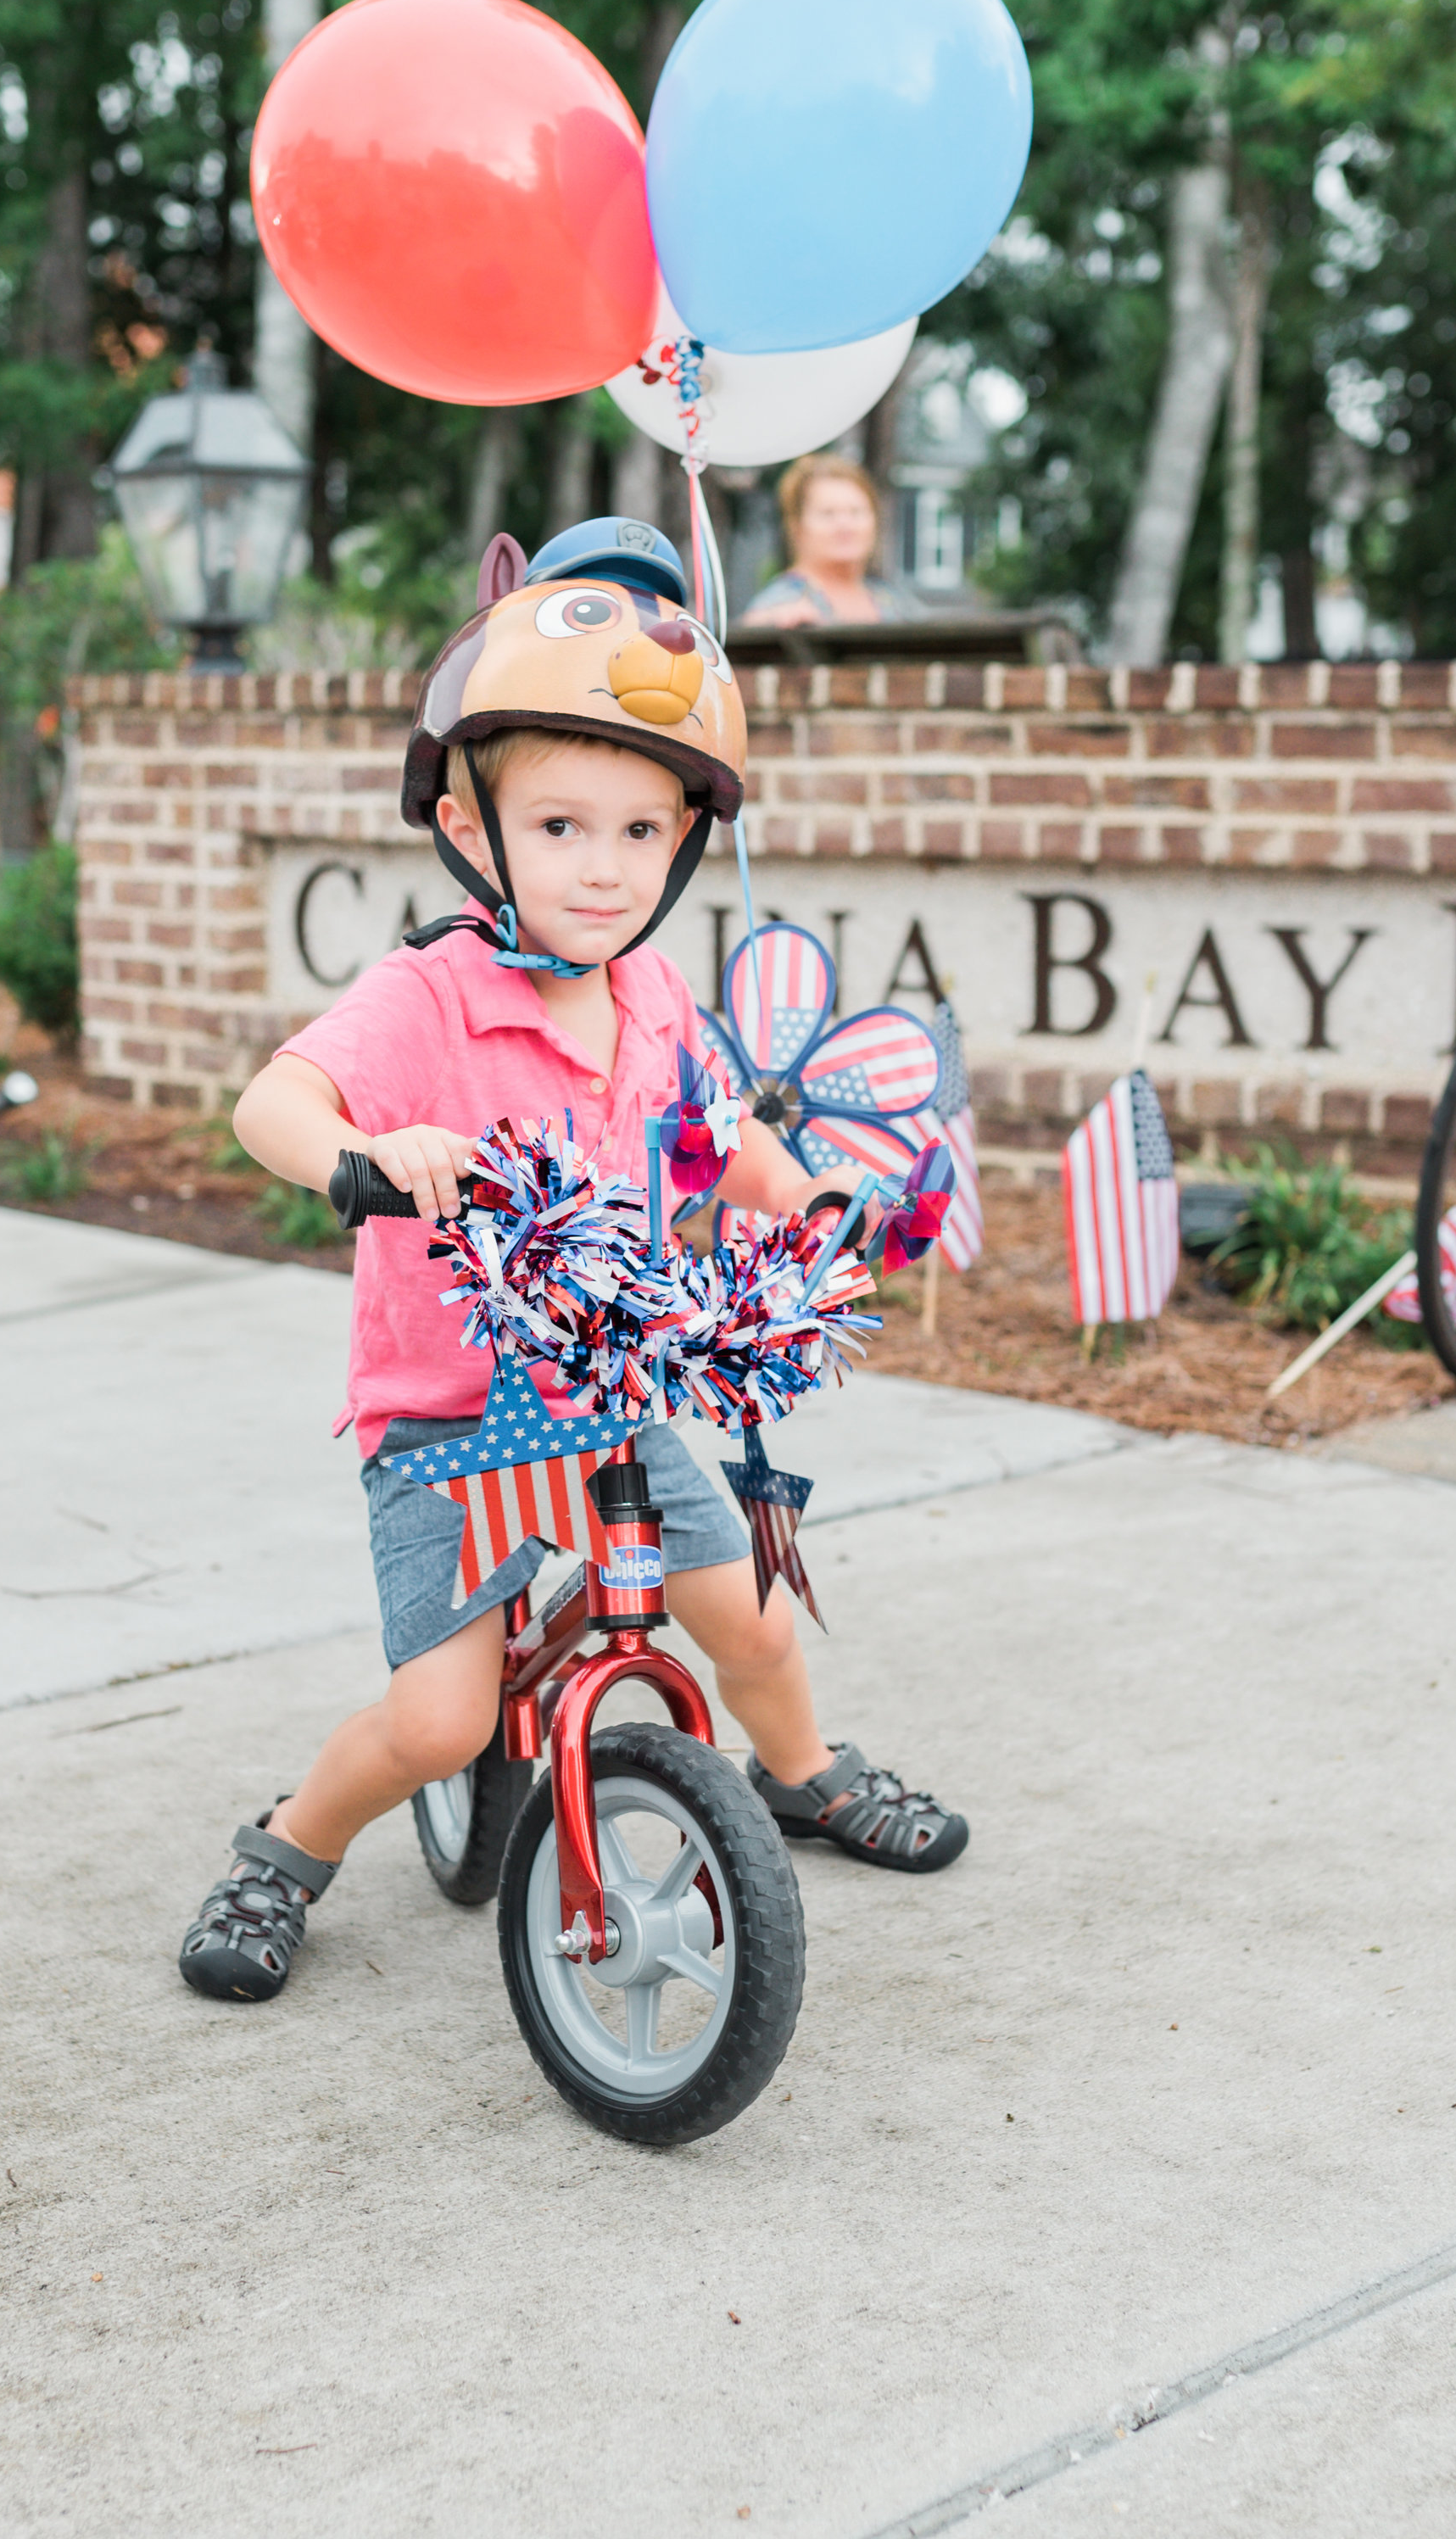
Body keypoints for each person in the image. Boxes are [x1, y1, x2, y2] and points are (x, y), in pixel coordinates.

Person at [179, 513, 969, 2003]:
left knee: (746, 1610)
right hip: (450, 1420)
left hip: (609, 1388)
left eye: (639, 830)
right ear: (475, 827)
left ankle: (798, 1771)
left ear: (681, 842)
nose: (601, 868)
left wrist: (797, 1188)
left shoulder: (655, 989)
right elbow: (270, 1099)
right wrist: (363, 1154)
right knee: (441, 1725)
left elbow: (710, 1121)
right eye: (560, 826)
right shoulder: (427, 993)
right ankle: (282, 1851)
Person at [741, 453, 924, 629]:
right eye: (828, 513)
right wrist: (773, 624)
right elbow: (749, 631)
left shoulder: (892, 601)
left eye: (856, 512)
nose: (845, 525)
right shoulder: (783, 601)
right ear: (796, 527)